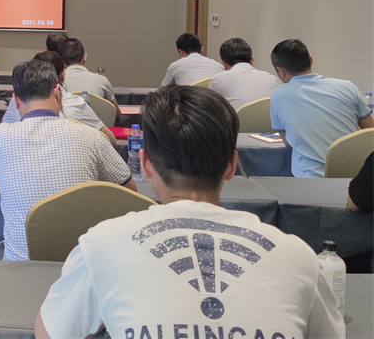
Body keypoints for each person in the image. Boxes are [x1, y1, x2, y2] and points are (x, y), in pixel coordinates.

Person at [35, 86, 344, 339]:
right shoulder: (299, 257)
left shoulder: (100, 246)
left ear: (145, 164)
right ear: (231, 166)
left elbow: (49, 333)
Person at [0, 59, 135, 261]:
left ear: (16, 100)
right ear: (57, 92)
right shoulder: (92, 136)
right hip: (80, 266)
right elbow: (129, 190)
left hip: (20, 266)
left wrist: (0, 180)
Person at [269, 39, 373, 178]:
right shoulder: (348, 87)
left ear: (280, 71)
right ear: (311, 60)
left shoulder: (278, 95)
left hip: (310, 178)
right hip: (354, 177)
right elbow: (370, 133)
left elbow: (289, 144)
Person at [3, 51, 117, 145]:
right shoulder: (76, 103)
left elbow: (4, 130)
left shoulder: (19, 100)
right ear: (63, 74)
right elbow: (110, 139)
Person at [56, 38, 121, 119]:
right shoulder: (102, 81)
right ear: (84, 57)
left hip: (66, 126)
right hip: (98, 127)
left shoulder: (55, 84)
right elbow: (116, 113)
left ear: (60, 61)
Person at [208, 37, 280, 109]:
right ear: (251, 60)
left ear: (224, 64)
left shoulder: (217, 80)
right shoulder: (273, 80)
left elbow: (211, 110)